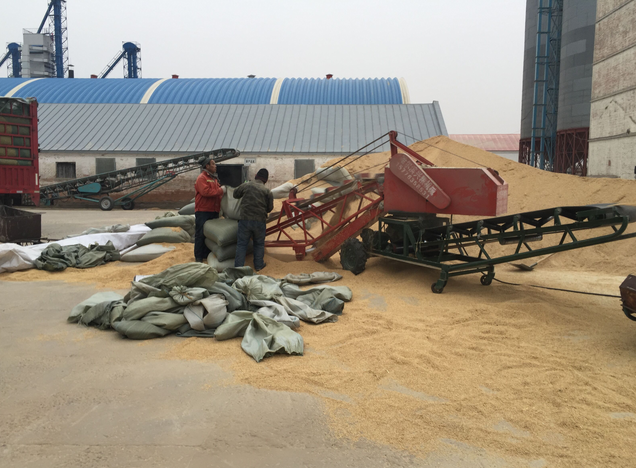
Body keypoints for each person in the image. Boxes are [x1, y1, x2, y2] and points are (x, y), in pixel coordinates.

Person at [233, 168, 274, 271]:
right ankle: (259, 266)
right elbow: (269, 208)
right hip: (260, 221)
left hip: (245, 220)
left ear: (256, 175)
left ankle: (238, 268)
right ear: (266, 180)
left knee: (242, 244)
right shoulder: (267, 191)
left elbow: (235, 194)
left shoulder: (247, 185)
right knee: (259, 244)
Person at [194, 157, 225, 262]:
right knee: (200, 234)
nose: (215, 166)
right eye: (213, 164)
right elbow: (205, 192)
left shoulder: (214, 178)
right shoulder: (202, 178)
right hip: (203, 210)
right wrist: (221, 190)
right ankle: (198, 257)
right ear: (207, 166)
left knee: (210, 235)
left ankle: (206, 254)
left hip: (214, 210)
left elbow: (216, 194)